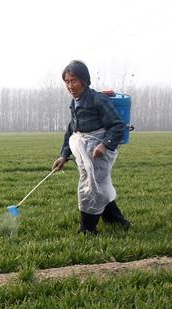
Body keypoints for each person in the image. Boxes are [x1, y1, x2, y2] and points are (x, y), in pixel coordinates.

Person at [52, 60, 131, 234]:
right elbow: (72, 131)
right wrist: (63, 156)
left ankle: (87, 228)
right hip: (85, 153)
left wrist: (104, 145)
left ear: (84, 81)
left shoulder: (98, 99)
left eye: (74, 81)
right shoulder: (75, 102)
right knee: (99, 185)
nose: (70, 86)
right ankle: (116, 220)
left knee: (91, 186)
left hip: (98, 153)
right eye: (67, 81)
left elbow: (118, 125)